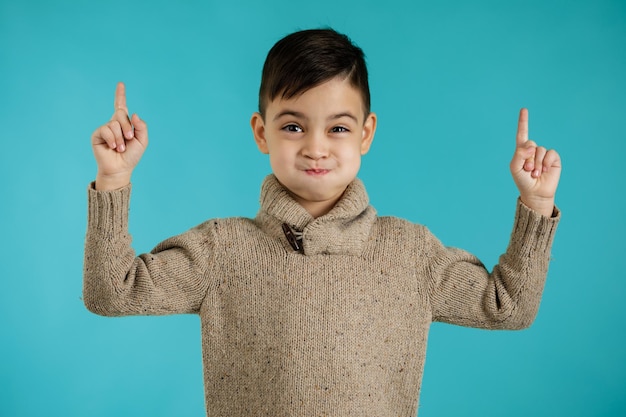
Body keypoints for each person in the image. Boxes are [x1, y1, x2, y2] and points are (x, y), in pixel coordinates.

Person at [84, 28, 561, 416]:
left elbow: (509, 307)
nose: (316, 147)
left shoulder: (410, 252)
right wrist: (114, 178)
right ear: (260, 132)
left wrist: (536, 205)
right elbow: (112, 292)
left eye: (338, 127)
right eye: (293, 126)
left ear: (366, 133)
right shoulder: (220, 250)